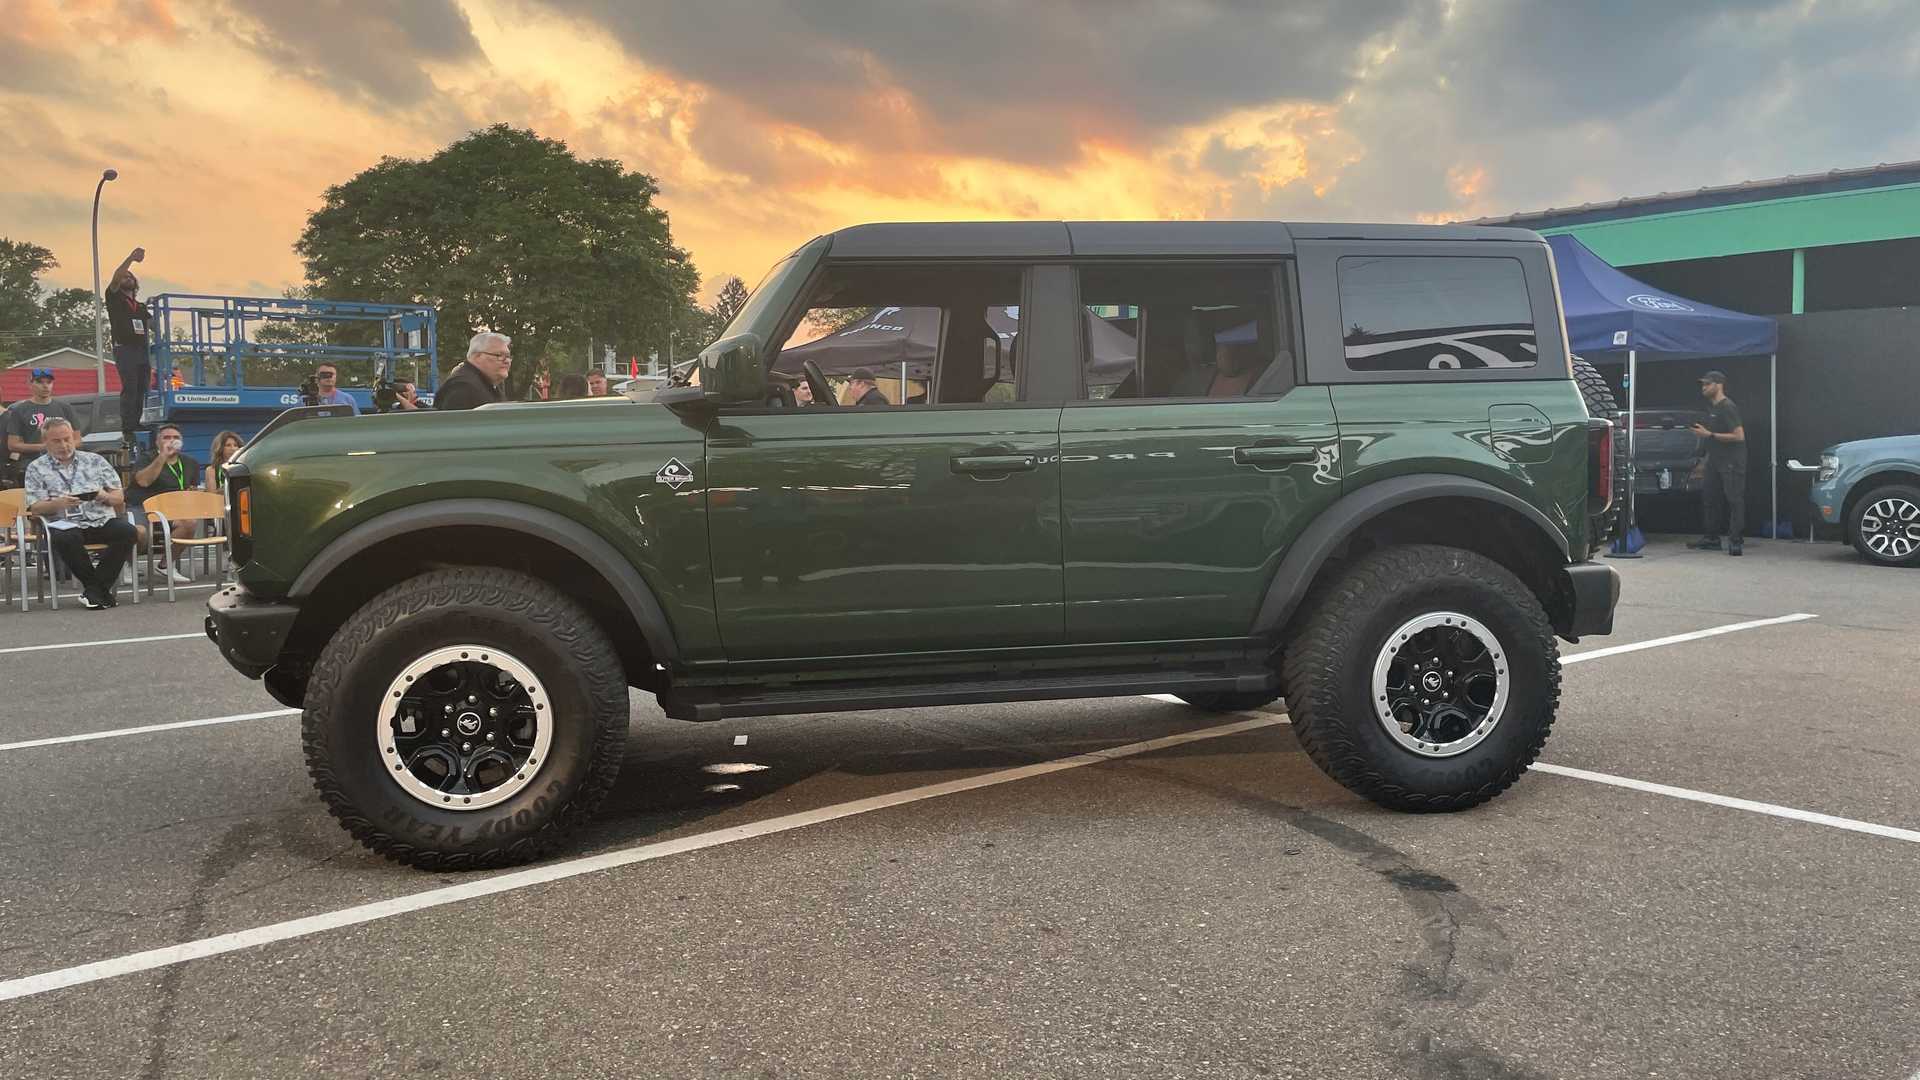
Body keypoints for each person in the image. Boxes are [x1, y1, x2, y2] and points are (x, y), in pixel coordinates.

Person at [24, 419, 136, 609]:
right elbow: (35, 508)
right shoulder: (36, 468)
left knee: (128, 532)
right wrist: (59, 503)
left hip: (99, 519)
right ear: (46, 442)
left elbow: (119, 498)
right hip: (65, 523)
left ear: (74, 437)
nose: (64, 445)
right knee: (65, 538)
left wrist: (103, 496)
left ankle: (94, 592)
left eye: (67, 439)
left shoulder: (95, 460)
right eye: (56, 441)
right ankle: (98, 591)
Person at [128, 422, 202, 583]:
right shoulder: (147, 458)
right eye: (166, 437)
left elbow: (192, 488)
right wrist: (163, 456)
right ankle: (128, 564)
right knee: (139, 533)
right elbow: (143, 482)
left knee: (190, 523)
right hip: (143, 507)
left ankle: (165, 565)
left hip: (172, 508)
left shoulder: (190, 463)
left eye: (175, 437)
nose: (171, 440)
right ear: (157, 442)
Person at [1688, 369, 1748, 556]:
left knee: (1734, 500)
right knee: (1710, 498)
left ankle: (1735, 541)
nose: (1704, 388)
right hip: (1715, 461)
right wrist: (1704, 461)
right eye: (1703, 384)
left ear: (1719, 385)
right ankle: (1712, 538)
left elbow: (1739, 436)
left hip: (1732, 461)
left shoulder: (1728, 407)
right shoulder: (1713, 408)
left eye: (1707, 384)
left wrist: (1709, 434)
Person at [103, 247, 151, 449]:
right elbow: (117, 277)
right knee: (130, 386)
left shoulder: (140, 306)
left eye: (131, 276)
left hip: (141, 350)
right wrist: (130, 259)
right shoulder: (114, 298)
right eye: (125, 275)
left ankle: (136, 422)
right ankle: (128, 427)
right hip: (125, 349)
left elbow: (153, 324)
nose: (127, 277)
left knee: (141, 387)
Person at [5, 367, 79, 474]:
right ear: (30, 384)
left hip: (63, 465)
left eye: (49, 382)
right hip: (32, 465)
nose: (45, 386)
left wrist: (62, 447)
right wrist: (44, 447)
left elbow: (78, 439)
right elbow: (13, 444)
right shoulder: (19, 410)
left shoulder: (65, 407)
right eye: (40, 382)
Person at [437, 332, 512, 411]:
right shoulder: (463, 387)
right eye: (499, 355)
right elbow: (454, 422)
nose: (507, 361)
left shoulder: (488, 385)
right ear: (477, 356)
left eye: (508, 356)